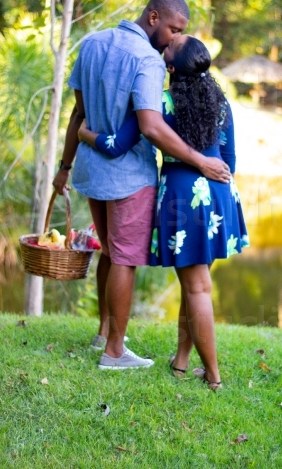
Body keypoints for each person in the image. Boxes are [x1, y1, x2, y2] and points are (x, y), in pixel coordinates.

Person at [53, 0, 230, 371]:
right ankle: (115, 351)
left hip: (91, 171)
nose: (172, 39)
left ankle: (105, 331)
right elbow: (149, 127)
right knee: (125, 258)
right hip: (129, 176)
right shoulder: (149, 60)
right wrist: (202, 161)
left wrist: (64, 166)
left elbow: (77, 114)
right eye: (172, 28)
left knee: (110, 252)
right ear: (153, 17)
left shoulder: (92, 44)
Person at [78, 35, 249, 389]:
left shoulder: (160, 104)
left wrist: (85, 133)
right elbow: (229, 159)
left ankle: (214, 377)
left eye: (169, 47)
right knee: (196, 286)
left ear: (170, 68)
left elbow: (116, 145)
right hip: (219, 194)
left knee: (197, 288)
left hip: (183, 198)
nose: (164, 45)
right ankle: (182, 362)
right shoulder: (220, 101)